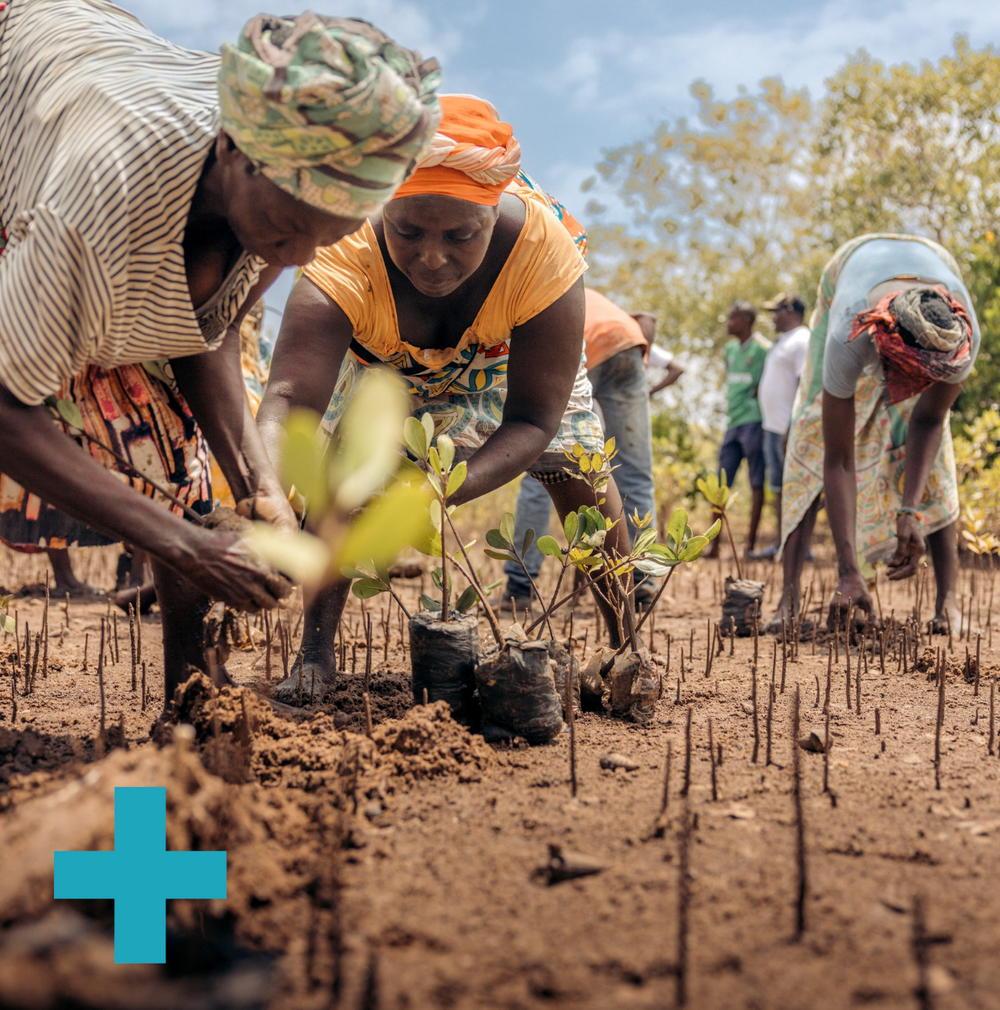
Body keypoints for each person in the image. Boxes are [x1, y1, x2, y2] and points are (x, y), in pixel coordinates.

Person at [0, 0, 441, 700]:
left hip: (103, 77)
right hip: (26, 91)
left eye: (327, 238)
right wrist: (186, 547)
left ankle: (186, 708)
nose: (297, 256)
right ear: (232, 150)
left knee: (190, 478)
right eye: (285, 228)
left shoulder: (287, 164)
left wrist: (255, 481)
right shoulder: (88, 212)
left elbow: (207, 325)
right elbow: (5, 407)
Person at [257, 95, 628, 701]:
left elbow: (535, 420)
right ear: (383, 209)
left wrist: (440, 486)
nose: (432, 258)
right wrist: (266, 489)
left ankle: (623, 646)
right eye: (406, 231)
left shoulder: (543, 249)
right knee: (341, 476)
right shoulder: (344, 248)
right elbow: (289, 400)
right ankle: (315, 655)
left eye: (460, 235)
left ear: (493, 213)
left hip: (506, 363)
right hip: (383, 368)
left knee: (581, 466)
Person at [768, 234, 980, 634]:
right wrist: (849, 570)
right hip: (848, 266)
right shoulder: (847, 338)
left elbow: (928, 422)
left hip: (932, 258)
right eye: (908, 377)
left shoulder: (960, 340)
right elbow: (838, 458)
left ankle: (948, 602)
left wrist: (909, 511)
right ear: (884, 349)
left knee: (938, 447)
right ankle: (788, 599)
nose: (914, 389)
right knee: (810, 435)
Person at [498, 291, 665, 612]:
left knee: (541, 467)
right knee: (635, 471)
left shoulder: (535, 284)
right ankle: (643, 585)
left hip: (578, 346)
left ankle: (519, 588)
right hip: (628, 345)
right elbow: (646, 320)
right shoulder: (592, 296)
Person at [705, 302, 771, 558]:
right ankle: (714, 545)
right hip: (732, 423)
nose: (728, 323)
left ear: (745, 320)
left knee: (756, 482)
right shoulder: (730, 349)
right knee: (721, 483)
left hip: (754, 422)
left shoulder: (764, 349)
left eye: (732, 318)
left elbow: (766, 385)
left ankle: (750, 547)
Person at [753, 292, 810, 558]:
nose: (772, 317)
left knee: (794, 487)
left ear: (790, 311)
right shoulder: (783, 341)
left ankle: (798, 547)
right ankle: (782, 544)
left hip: (787, 429)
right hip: (773, 427)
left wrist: (793, 427)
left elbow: (804, 385)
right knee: (778, 488)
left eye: (775, 311)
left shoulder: (802, 339)